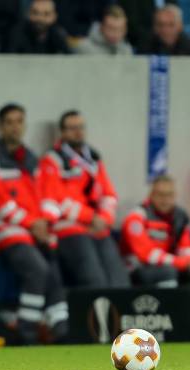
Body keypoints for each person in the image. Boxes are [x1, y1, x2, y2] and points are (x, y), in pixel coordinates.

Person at [0, 104, 68, 344]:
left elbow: (48, 195)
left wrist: (45, 222)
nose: (15, 127)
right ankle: (26, 330)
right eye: (9, 122)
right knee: (38, 269)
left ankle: (62, 330)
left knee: (55, 272)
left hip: (37, 230)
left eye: (19, 121)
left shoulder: (32, 159)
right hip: (8, 233)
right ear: (1, 126)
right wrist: (31, 223)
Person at [37, 110, 130, 288]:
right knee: (95, 280)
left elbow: (109, 195)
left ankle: (119, 315)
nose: (78, 132)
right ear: (62, 132)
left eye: (81, 127)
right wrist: (90, 217)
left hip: (97, 228)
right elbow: (55, 200)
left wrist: (105, 218)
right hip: (69, 229)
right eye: (72, 128)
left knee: (119, 279)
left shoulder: (93, 158)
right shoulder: (52, 160)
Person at [121, 175, 190, 287]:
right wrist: (182, 262)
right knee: (168, 272)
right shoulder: (136, 218)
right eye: (160, 194)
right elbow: (147, 255)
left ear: (175, 196)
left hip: (167, 263)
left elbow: (185, 247)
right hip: (137, 267)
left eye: (169, 195)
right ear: (151, 195)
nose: (165, 199)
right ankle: (168, 304)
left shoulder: (179, 217)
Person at [5, 0, 70, 54]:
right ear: (28, 14)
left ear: (54, 16)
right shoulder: (16, 34)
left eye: (46, 14)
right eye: (35, 13)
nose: (40, 18)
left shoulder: (58, 34)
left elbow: (70, 58)